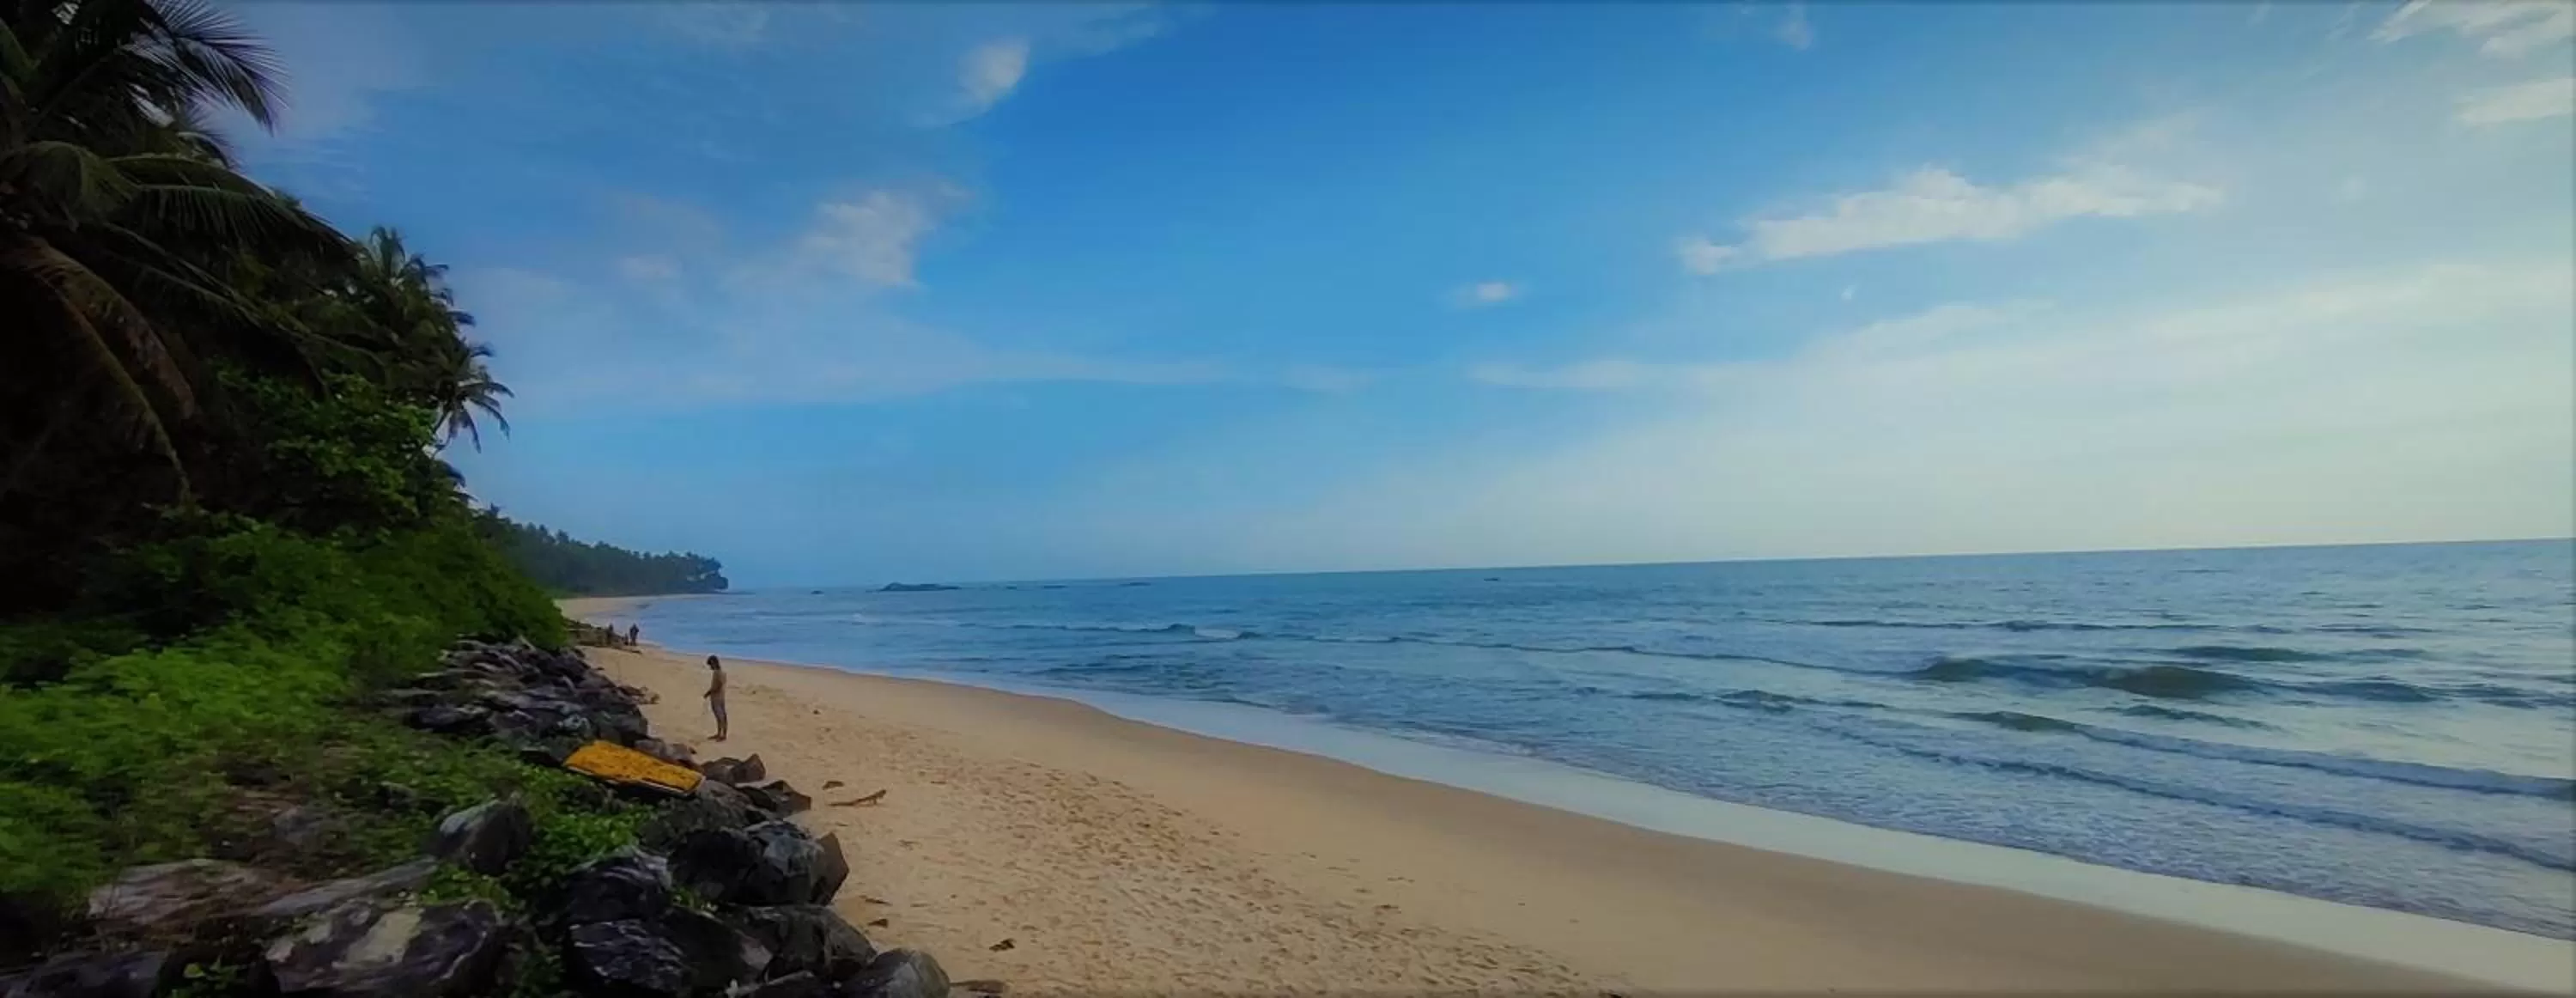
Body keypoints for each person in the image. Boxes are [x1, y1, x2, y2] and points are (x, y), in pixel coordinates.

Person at [704, 654, 728, 741]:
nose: (710, 667)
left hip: (717, 697)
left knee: (720, 716)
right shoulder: (721, 672)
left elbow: (718, 685)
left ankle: (722, 735)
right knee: (722, 716)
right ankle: (720, 733)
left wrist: (709, 692)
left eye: (711, 665)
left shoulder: (718, 673)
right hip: (721, 696)